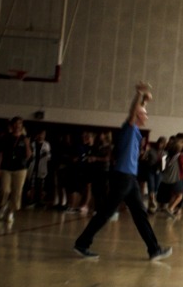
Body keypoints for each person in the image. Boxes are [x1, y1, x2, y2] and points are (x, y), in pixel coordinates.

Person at [73, 82, 171, 261]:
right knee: (105, 212)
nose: (147, 115)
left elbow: (138, 110)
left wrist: (144, 100)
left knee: (139, 213)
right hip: (123, 177)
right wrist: (139, 94)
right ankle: (82, 244)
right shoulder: (129, 128)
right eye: (145, 113)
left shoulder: (135, 132)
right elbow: (133, 112)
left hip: (129, 178)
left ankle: (154, 249)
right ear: (138, 115)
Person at [0, 117, 32, 223]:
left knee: (17, 191)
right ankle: (3, 205)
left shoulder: (25, 138)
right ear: (12, 125)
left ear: (22, 126)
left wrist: (27, 144)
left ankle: (11, 212)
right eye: (15, 124)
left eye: (19, 124)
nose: (17, 126)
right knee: (5, 189)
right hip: (6, 167)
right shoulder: (5, 137)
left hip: (20, 168)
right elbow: (0, 154)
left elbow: (28, 155)